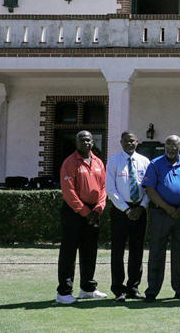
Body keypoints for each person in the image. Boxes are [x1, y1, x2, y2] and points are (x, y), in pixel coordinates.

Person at [56, 130, 107, 304]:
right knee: (69, 252)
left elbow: (103, 188)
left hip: (94, 212)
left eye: (88, 140)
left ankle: (87, 289)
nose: (86, 143)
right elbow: (68, 191)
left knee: (89, 251)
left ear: (93, 142)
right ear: (76, 143)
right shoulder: (70, 162)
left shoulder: (98, 162)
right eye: (82, 140)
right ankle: (64, 292)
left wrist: (98, 208)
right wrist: (85, 212)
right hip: (74, 212)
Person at [142, 135, 180, 302]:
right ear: (165, 146)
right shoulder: (155, 164)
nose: (171, 148)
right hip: (160, 213)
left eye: (175, 145)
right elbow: (150, 189)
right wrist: (167, 208)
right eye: (168, 144)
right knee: (156, 251)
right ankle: (152, 291)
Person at [105, 131, 150, 302]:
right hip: (120, 211)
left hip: (140, 210)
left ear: (137, 142)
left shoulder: (144, 161)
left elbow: (149, 188)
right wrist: (126, 209)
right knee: (118, 251)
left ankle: (133, 287)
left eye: (132, 141)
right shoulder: (114, 161)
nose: (129, 143)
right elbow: (110, 189)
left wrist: (142, 207)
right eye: (126, 141)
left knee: (137, 250)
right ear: (121, 142)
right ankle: (118, 289)